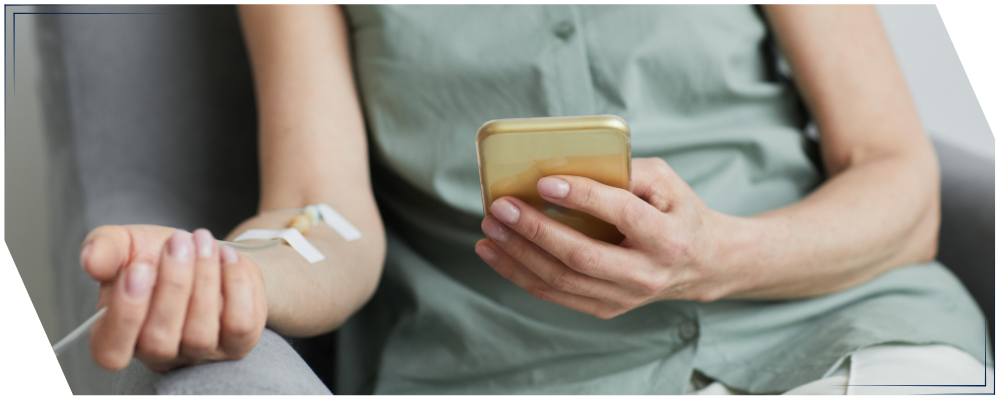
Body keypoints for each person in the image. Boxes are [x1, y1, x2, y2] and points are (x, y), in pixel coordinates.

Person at [77, 4, 992, 395]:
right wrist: (237, 274)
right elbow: (320, 213)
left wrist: (716, 257)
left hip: (845, 334)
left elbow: (900, 183)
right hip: (513, 371)